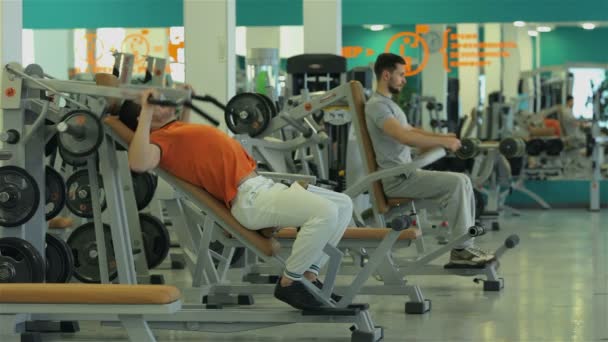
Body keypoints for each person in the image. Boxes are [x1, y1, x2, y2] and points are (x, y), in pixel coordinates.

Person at [119, 87, 352, 310]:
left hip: (262, 187)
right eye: (153, 104)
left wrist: (183, 99)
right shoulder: (159, 140)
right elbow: (138, 163)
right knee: (325, 212)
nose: (161, 102)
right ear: (144, 118)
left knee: (343, 204)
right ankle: (290, 283)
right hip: (250, 199)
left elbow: (184, 145)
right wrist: (147, 113)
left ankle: (309, 276)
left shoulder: (174, 131)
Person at [364, 53, 494, 267]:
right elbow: (403, 136)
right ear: (386, 75)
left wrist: (443, 138)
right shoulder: (377, 106)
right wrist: (442, 143)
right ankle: (462, 250)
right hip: (397, 179)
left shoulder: (388, 105)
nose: (404, 80)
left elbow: (410, 130)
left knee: (463, 180)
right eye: (401, 75)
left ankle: (466, 245)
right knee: (457, 182)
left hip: (407, 174)